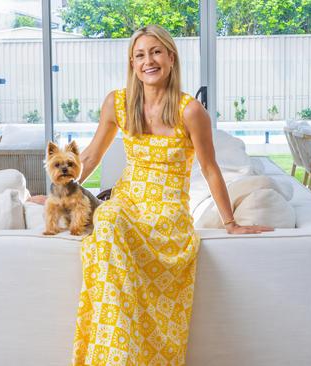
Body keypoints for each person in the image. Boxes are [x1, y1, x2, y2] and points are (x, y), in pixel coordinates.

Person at [31, 24, 273, 365]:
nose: (149, 61)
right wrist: (58, 194)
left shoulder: (190, 111)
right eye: (140, 54)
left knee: (107, 230)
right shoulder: (117, 103)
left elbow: (210, 168)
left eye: (156, 52)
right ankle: (115, 356)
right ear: (132, 63)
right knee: (109, 218)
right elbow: (90, 157)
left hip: (167, 213)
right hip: (127, 202)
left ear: (171, 58)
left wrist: (230, 222)